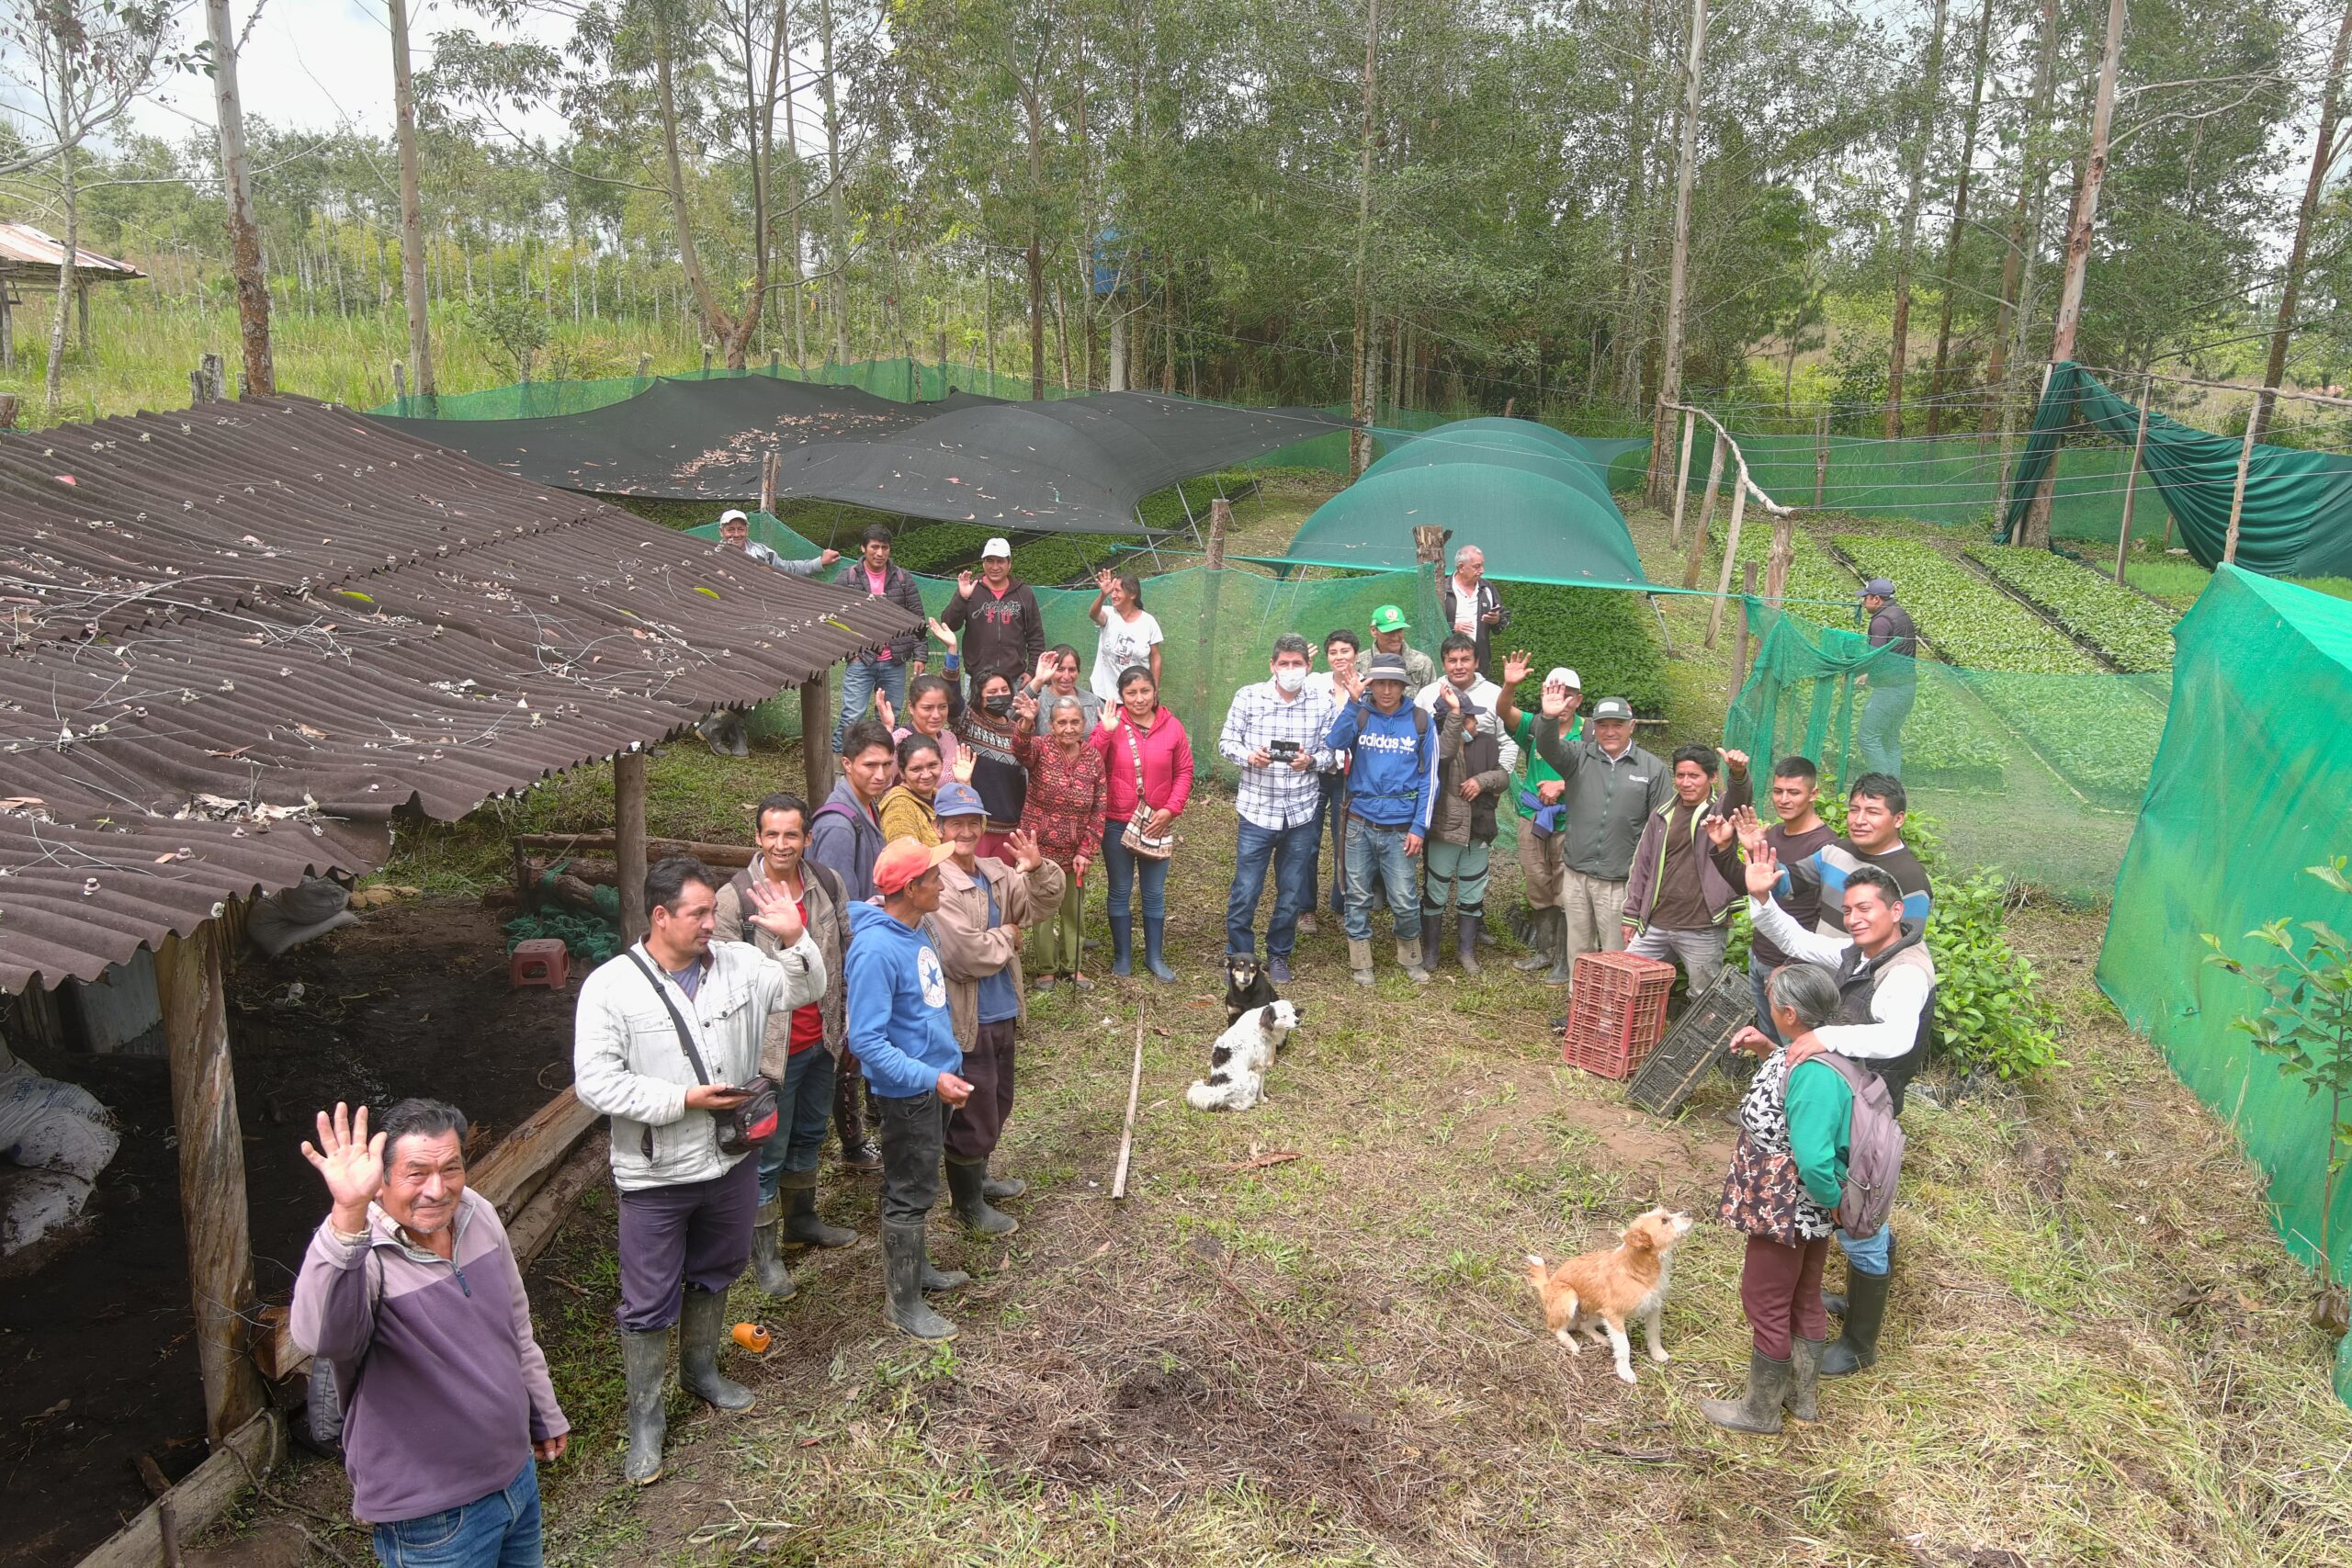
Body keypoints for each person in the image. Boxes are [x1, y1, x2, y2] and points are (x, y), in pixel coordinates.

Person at [572, 856, 826, 1484]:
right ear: (660, 916)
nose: (712, 922)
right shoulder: (610, 987)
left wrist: (795, 937)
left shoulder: (738, 962)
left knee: (717, 1268)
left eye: (714, 910)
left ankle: (702, 1372)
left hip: (731, 1158)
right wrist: (682, 1099)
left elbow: (804, 988)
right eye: (699, 913)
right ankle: (646, 1418)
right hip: (656, 1174)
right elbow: (595, 1083)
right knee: (647, 1299)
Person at [292, 1099, 567, 1565]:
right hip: (432, 1517)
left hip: (515, 1477)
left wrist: (541, 1408)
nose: (437, 1190)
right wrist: (347, 1214)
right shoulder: (364, 1255)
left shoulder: (476, 1214)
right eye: (416, 1173)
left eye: (451, 1169)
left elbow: (515, 1325)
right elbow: (321, 1339)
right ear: (380, 1179)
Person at [1737, 845, 1936, 1380]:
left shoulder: (1906, 970)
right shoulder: (1860, 953)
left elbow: (1897, 1036)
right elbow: (1797, 942)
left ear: (1897, 911)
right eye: (1848, 910)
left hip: (1871, 1107)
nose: (1854, 918)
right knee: (1853, 1204)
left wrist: (1827, 1035)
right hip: (1847, 1096)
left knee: (1860, 1210)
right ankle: (1854, 1298)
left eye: (1866, 908)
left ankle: (1860, 1342)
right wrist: (1762, 899)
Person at [716, 794, 857, 1302]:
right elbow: (719, 982)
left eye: (791, 834)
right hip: (767, 1054)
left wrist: (847, 1023)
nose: (781, 844)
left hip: (821, 1039)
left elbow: (846, 949)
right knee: (767, 1152)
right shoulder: (734, 898)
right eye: (772, 834)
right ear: (757, 836)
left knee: (810, 1135)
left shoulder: (827, 883)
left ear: (807, 838)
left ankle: (803, 1220)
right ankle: (765, 1256)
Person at [1700, 963, 1851, 1434]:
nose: (1766, 1006)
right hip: (1799, 1206)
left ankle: (1760, 1411)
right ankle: (1802, 1399)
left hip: (1786, 1206)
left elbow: (1814, 1159)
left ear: (1789, 1013)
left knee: (1764, 1298)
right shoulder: (1811, 1050)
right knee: (1804, 1295)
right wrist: (1767, 1049)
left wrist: (1834, 1203)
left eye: (1771, 1001)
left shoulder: (1813, 1075)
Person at [843, 837, 977, 1341]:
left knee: (920, 1179)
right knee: (908, 1189)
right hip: (908, 1093)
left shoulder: (918, 927)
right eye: (933, 878)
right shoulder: (875, 951)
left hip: (933, 1081)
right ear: (909, 889)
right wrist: (929, 1077)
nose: (942, 884)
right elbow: (865, 1041)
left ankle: (918, 1271)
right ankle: (902, 1304)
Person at [928, 784, 1064, 1235]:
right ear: (938, 828)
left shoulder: (996, 872)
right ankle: (966, 1205)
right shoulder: (937, 881)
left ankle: (980, 1178)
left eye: (973, 822)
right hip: (967, 1015)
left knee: (998, 1100)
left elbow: (1041, 905)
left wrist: (1039, 868)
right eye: (956, 823)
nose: (966, 832)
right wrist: (1009, 935)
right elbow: (963, 954)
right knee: (973, 1108)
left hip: (1002, 1006)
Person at [1217, 633, 1341, 984]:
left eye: (1296, 664)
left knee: (1291, 891)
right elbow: (1226, 742)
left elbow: (1333, 752)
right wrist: (1249, 756)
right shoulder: (1249, 696)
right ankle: (1239, 956)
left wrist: (1312, 761)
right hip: (1257, 811)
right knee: (1246, 890)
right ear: (1272, 665)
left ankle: (1279, 954)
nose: (1290, 669)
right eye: (1284, 663)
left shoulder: (1323, 703)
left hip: (1301, 812)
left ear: (1309, 666)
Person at [1532, 691, 1670, 993]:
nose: (1610, 732)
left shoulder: (1652, 769)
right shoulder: (1578, 756)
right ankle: (1579, 1006)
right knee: (1579, 950)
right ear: (1594, 727)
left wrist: (1647, 883)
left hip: (1619, 881)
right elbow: (1546, 746)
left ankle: (1611, 1012)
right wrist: (1549, 718)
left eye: (1617, 725)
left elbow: (1661, 830)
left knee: (1615, 955)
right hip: (1576, 874)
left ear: (1632, 726)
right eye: (1603, 724)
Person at [808, 717, 896, 1173]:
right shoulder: (840, 825)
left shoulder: (867, 806)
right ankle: (853, 1146)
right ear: (847, 764)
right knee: (847, 1048)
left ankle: (870, 1120)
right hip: (846, 952)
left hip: (864, 942)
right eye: (869, 765)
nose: (880, 774)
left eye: (886, 764)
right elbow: (834, 905)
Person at [1323, 650, 1439, 987]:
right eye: (1380, 683)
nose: (1387, 691)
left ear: (1404, 686)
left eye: (1394, 684)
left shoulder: (1420, 721)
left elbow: (1430, 779)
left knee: (1404, 898)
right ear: (1370, 684)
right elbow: (1334, 742)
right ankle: (1361, 962)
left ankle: (1411, 957)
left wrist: (1419, 827)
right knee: (1357, 895)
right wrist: (1352, 703)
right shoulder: (1360, 714)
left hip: (1401, 828)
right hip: (1359, 822)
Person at [1721, 757, 1840, 1043]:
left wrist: (1790, 965)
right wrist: (1725, 847)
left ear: (1814, 794)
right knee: (1769, 1038)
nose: (1783, 799)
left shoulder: (1826, 845)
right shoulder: (1773, 834)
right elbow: (1749, 887)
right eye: (1778, 791)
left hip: (1793, 966)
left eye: (1793, 792)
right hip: (1760, 955)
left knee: (1794, 1046)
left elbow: (1824, 916)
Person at [1087, 664, 1194, 981]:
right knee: (1120, 889)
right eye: (1131, 692)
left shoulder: (1172, 727)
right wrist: (1105, 731)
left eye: (1145, 691)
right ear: (1121, 695)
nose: (1139, 698)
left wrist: (1171, 810)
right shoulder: (1112, 722)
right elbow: (1090, 763)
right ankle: (1123, 956)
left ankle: (1154, 957)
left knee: (1154, 892)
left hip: (1156, 822)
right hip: (1117, 821)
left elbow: (1184, 771)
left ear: (1155, 691)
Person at [1619, 745, 1752, 994]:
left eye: (1694, 776)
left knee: (1704, 995)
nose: (1686, 782)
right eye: (1680, 775)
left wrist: (1738, 775)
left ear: (1713, 777)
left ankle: (1703, 1023)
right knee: (1629, 984)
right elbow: (1642, 867)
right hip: (1656, 923)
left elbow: (1739, 800)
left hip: (1702, 926)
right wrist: (1632, 914)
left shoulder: (1719, 811)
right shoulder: (1662, 814)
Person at [1494, 652, 1582, 973]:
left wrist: (1564, 784)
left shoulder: (1589, 734)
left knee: (1566, 887)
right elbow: (1504, 712)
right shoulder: (1534, 725)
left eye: (1568, 694)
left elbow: (1602, 772)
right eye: (1554, 691)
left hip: (1570, 819)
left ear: (1578, 700)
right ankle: (1545, 952)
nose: (1562, 700)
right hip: (1532, 817)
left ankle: (1564, 961)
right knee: (1537, 881)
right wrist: (1509, 685)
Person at [1419, 674, 1510, 976]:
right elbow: (1442, 761)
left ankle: (1466, 952)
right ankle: (1431, 951)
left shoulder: (1486, 743)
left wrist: (1483, 781)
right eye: (1469, 719)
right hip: (1445, 832)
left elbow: (1503, 776)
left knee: (1473, 891)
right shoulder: (1434, 747)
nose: (1476, 724)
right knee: (1435, 891)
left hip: (1478, 829)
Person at [1772, 772, 1932, 938]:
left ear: (1898, 819)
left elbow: (1908, 945)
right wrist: (1762, 861)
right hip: (1819, 954)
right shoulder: (1835, 851)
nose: (1859, 820)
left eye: (1872, 812)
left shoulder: (1911, 879)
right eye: (1854, 810)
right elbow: (1786, 883)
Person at [1020, 693, 1106, 991]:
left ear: (1084, 723)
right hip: (1040, 849)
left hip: (1075, 851)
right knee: (1043, 910)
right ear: (1052, 724)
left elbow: (1099, 807)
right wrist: (1025, 724)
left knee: (1074, 910)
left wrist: (1086, 850)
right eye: (1062, 722)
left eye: (1075, 722)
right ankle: (1046, 968)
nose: (1069, 728)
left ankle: (1073, 966)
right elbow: (1020, 749)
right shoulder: (1040, 747)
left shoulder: (1093, 758)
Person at [830, 524, 930, 756]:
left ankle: (882, 761)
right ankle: (838, 762)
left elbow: (917, 619)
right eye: (874, 547)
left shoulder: (902, 578)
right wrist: (850, 652)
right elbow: (835, 617)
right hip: (861, 660)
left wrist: (920, 655)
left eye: (885, 548)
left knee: (890, 716)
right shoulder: (848, 577)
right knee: (852, 716)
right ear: (863, 548)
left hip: (894, 660)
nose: (880, 553)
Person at [1300, 628, 1363, 935]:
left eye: (1345, 651)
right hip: (1315, 772)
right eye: (1333, 652)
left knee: (1345, 843)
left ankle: (1341, 905)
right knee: (1307, 841)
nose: (1339, 657)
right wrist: (1301, 667)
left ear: (1356, 654)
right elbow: (1282, 690)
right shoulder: (1314, 682)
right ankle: (1305, 909)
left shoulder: (1366, 685)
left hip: (1349, 776)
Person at [955, 663, 1040, 856]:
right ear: (979, 696)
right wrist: (952, 652)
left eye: (1004, 690)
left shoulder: (1016, 730)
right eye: (992, 692)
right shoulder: (967, 722)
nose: (1000, 696)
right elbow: (952, 695)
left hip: (1010, 829)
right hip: (977, 828)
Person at [943, 538, 1044, 697]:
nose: (995, 567)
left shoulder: (1024, 593)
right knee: (973, 714)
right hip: (977, 677)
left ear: (1009, 564)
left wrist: (1032, 670)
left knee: (1015, 714)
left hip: (1014, 679)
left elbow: (1035, 635)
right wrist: (962, 598)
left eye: (1000, 561)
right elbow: (949, 625)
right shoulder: (971, 589)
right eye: (990, 561)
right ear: (983, 563)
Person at [1854, 578, 1918, 779]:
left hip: (1890, 690)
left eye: (1866, 598)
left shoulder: (1881, 621)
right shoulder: (1900, 613)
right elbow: (1894, 652)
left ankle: (1882, 785)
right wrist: (1869, 675)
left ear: (1876, 599)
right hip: (1907, 687)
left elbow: (1875, 654)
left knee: (1868, 737)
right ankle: (1893, 787)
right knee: (1890, 739)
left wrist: (1856, 671)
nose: (1864, 602)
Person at [1087, 570, 1164, 702]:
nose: (1113, 595)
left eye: (1117, 591)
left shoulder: (1148, 622)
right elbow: (1093, 614)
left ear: (1132, 594)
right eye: (1112, 591)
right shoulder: (1109, 614)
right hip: (1102, 694)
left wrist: (1154, 688)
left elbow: (1155, 657)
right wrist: (1102, 595)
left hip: (1134, 697)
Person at [1438, 544, 1510, 673]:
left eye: (1482, 565)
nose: (1482, 571)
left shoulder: (1487, 588)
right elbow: (1429, 623)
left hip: (1479, 664)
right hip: (1448, 662)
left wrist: (1497, 620)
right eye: (1477, 567)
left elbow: (1503, 620)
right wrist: (1453, 627)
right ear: (1461, 567)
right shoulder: (1442, 589)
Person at [718, 508, 841, 577]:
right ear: (721, 532)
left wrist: (820, 562)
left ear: (747, 531)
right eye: (730, 530)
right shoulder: (713, 555)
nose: (736, 535)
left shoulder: (762, 552)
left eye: (740, 529)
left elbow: (789, 569)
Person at [889, 671, 966, 780]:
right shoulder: (897, 740)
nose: (936, 715)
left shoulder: (950, 738)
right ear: (911, 707)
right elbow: (884, 785)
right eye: (927, 708)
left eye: (943, 707)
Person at [878, 732, 948, 846]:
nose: (926, 775)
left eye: (933, 765)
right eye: (916, 769)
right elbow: (905, 853)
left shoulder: (941, 797)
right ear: (902, 772)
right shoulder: (898, 807)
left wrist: (964, 783)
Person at [1022, 641, 1102, 732]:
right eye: (1060, 669)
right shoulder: (1038, 700)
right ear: (1050, 671)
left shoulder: (1092, 701)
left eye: (1072, 670)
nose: (1066, 676)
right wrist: (1038, 680)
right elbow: (1012, 717)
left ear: (1078, 672)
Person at [1367, 604, 1437, 697]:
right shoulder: (1360, 663)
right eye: (1389, 632)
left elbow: (1432, 699)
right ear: (1374, 631)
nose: (1395, 637)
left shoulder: (1422, 663)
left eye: (1399, 630)